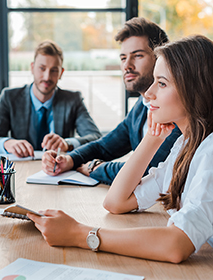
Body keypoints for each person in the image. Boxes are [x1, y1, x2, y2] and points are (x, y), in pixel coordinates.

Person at [28, 35, 213, 263]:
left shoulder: (210, 150)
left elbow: (176, 245)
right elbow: (116, 202)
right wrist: (152, 139)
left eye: (162, 83)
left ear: (194, 91)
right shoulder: (185, 145)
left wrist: (79, 234)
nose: (148, 93)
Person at [42, 17, 181, 185]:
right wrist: (69, 160)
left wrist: (95, 168)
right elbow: (104, 146)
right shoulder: (141, 106)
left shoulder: (174, 108)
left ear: (160, 58)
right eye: (123, 58)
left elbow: (148, 171)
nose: (127, 65)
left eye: (137, 56)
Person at [0, 40, 101, 157]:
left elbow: (96, 137)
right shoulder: (10, 98)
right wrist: (7, 143)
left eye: (54, 70)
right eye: (42, 68)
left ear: (61, 73)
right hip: (21, 169)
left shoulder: (73, 100)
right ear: (32, 68)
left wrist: (67, 144)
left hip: (59, 170)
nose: (47, 77)